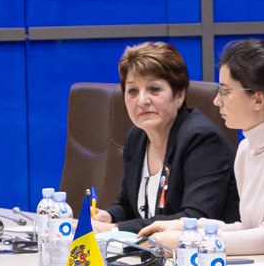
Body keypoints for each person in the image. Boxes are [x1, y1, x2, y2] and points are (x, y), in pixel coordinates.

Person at [149, 38, 264, 259]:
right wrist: (187, 228)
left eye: (225, 91)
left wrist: (188, 242)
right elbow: (248, 228)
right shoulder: (246, 148)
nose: (217, 101)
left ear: (258, 99)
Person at [93, 42, 236, 233]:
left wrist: (115, 229)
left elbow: (194, 218)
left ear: (179, 95)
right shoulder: (137, 136)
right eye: (133, 91)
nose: (142, 100)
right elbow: (128, 205)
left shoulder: (201, 139)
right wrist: (110, 216)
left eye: (154, 89)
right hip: (155, 255)